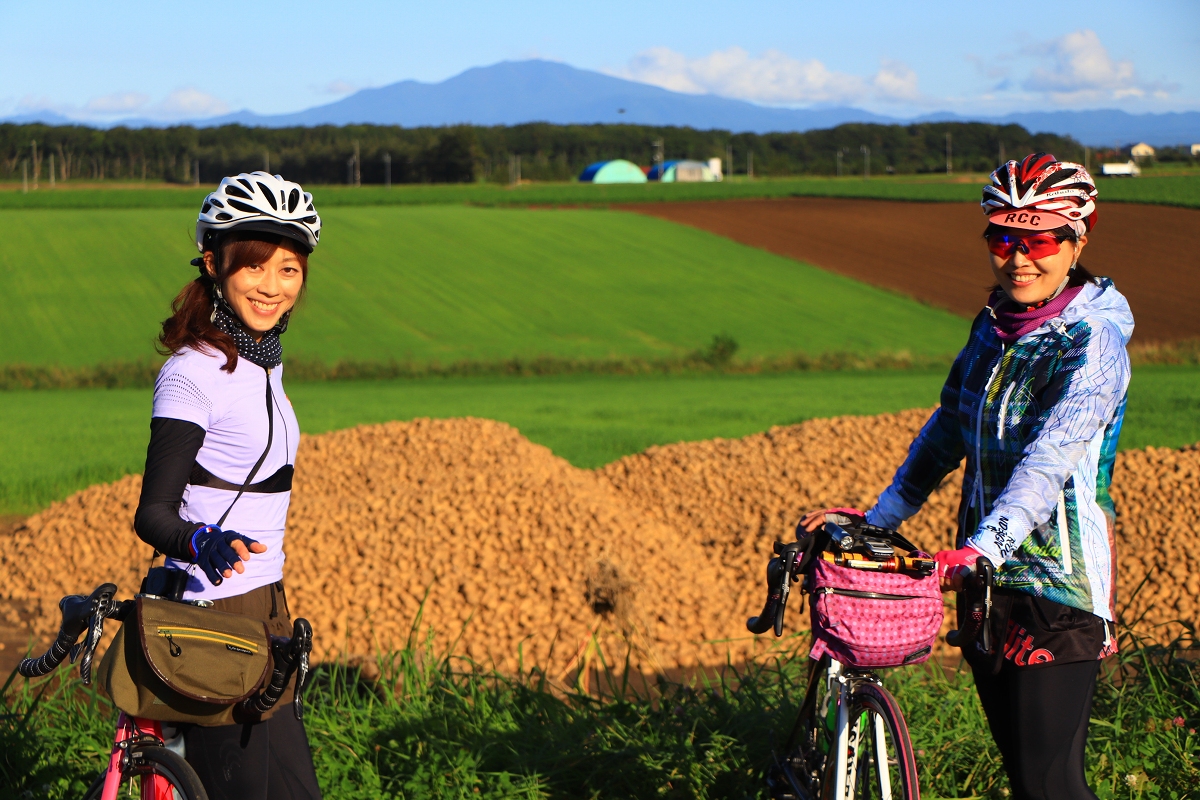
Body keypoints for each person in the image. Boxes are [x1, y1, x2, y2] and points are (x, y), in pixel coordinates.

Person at [800, 153, 1131, 800]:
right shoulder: (992, 326)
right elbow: (949, 426)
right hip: (981, 586)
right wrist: (881, 519)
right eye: (1002, 237)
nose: (1017, 258)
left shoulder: (1091, 343)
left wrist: (985, 547)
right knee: (1021, 778)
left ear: (1077, 241)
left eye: (1037, 240)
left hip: (1056, 590)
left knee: (1051, 786)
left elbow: (1052, 456)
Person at [133, 171, 323, 800]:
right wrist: (203, 542)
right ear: (214, 264)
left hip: (268, 610)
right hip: (209, 617)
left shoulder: (264, 364)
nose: (272, 287)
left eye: (289, 268)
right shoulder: (193, 373)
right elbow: (153, 514)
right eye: (255, 267)